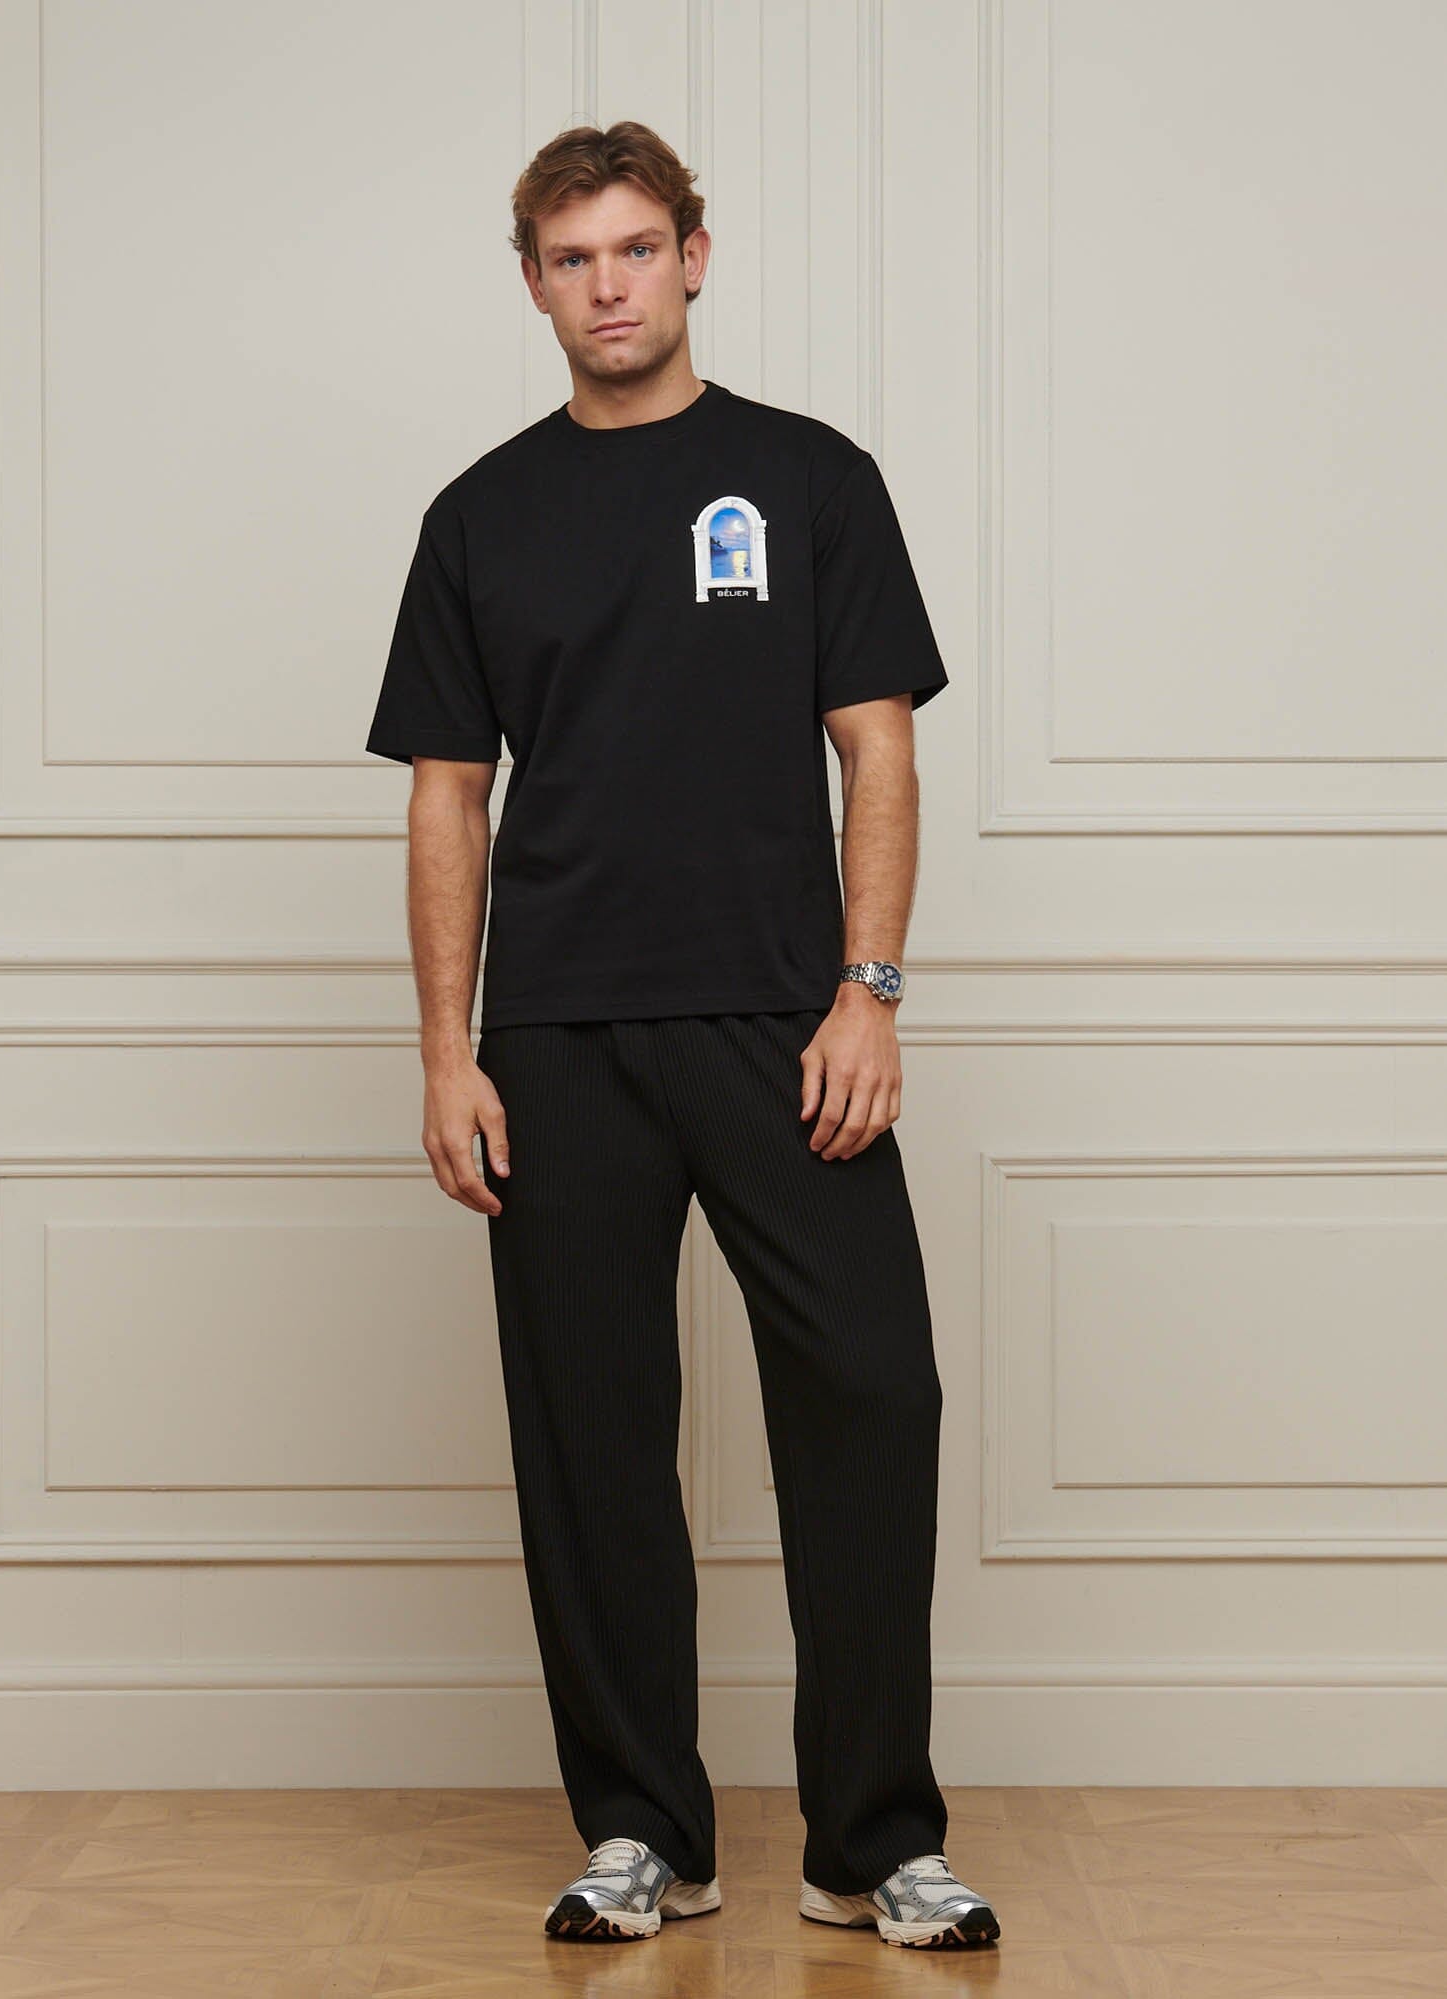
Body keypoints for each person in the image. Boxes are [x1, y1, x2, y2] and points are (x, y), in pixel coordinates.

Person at [365, 119, 1000, 1953]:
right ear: (533, 284)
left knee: (872, 1397)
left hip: (785, 1023)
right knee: (591, 1437)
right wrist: (447, 1051)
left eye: (637, 248)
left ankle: (872, 1843)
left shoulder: (807, 477)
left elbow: (878, 748)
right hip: (558, 1037)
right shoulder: (479, 515)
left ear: (696, 256)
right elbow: (448, 793)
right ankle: (645, 1829)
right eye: (573, 259)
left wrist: (869, 992)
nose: (610, 285)